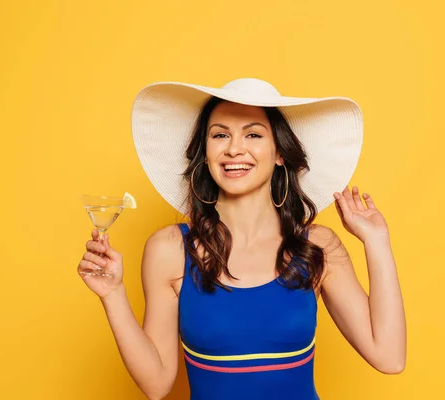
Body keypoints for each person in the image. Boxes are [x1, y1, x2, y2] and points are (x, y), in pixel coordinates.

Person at [77, 78, 406, 400]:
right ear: (205, 154)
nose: (235, 148)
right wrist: (113, 294)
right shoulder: (170, 250)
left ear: (280, 152)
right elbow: (157, 385)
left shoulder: (317, 246)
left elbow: (389, 358)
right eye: (220, 135)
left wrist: (376, 242)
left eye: (253, 134)